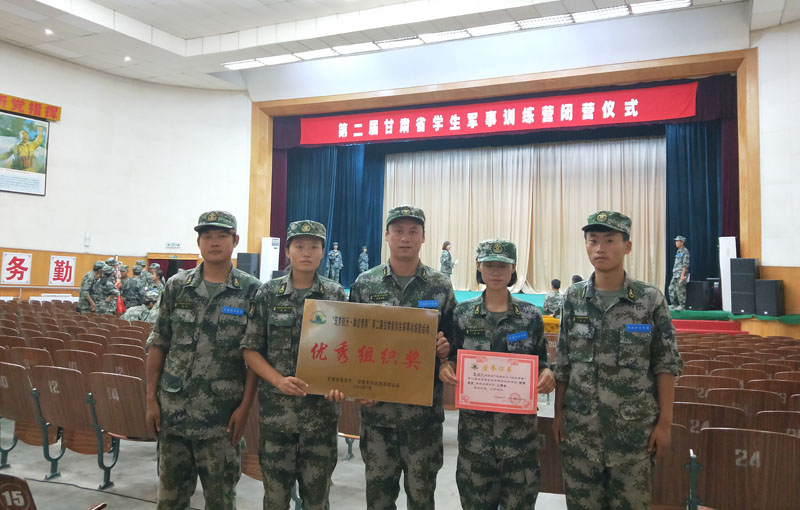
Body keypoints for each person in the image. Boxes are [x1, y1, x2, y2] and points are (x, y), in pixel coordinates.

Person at [552, 210, 683, 510]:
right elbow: (564, 362)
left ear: (627, 246)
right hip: (580, 433)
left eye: (610, 240)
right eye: (593, 240)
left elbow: (665, 364)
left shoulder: (650, 299)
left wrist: (665, 423)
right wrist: (558, 415)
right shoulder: (573, 298)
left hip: (633, 438)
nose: (600, 248)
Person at [145, 210, 261, 510]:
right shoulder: (177, 286)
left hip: (222, 419)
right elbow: (159, 343)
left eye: (222, 236)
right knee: (169, 500)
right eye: (207, 236)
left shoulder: (252, 290)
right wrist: (151, 400)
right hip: (174, 414)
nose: (214, 242)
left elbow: (254, 355)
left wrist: (245, 409)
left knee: (221, 501)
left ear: (235, 240)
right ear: (198, 242)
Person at [348, 205, 454, 510]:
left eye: (412, 231)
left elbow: (453, 342)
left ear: (423, 237)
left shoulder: (440, 285)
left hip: (423, 418)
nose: (405, 238)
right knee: (378, 500)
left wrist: (446, 352)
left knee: (422, 499)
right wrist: (357, 388)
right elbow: (352, 345)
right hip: (378, 417)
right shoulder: (365, 284)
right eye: (398, 231)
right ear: (386, 235)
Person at [440, 239, 555, 510]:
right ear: (478, 266)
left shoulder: (530, 315)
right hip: (475, 441)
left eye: (502, 266)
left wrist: (547, 374)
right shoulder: (463, 314)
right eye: (489, 265)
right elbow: (453, 356)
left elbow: (541, 361)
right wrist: (446, 366)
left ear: (513, 268)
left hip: (520, 441)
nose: (495, 272)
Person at [241, 220, 346, 510]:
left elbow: (345, 351)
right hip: (277, 418)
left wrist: (340, 384)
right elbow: (250, 349)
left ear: (323, 252)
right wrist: (278, 380)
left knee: (317, 500)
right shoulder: (267, 293)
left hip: (320, 419)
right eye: (299, 246)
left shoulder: (335, 294)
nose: (306, 252)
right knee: (275, 500)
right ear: (287, 251)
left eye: (314, 246)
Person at [668, 235, 690, 311]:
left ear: (682, 242)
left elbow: (685, 265)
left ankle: (682, 306)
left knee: (680, 290)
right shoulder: (678, 251)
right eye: (676, 241)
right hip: (675, 274)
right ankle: (674, 305)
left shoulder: (685, 251)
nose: (676, 243)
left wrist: (682, 275)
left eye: (678, 241)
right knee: (671, 289)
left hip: (681, 274)